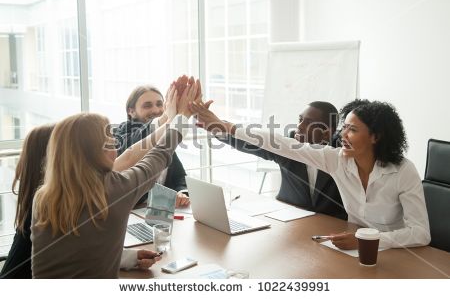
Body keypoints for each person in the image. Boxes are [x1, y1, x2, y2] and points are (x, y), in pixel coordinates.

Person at [191, 99, 431, 250]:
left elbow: (421, 233)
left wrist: (370, 240)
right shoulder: (336, 160)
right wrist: (225, 126)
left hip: (398, 251)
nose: (344, 135)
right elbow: (279, 143)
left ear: (375, 137)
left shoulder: (403, 170)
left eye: (353, 130)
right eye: (344, 127)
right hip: (349, 248)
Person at [30, 80, 199, 278]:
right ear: (92, 153)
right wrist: (182, 117)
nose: (115, 151)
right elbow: (159, 153)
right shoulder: (116, 189)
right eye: (110, 144)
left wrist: (127, 258)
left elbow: (76, 253)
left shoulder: (43, 196)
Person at [215, 101, 347, 220]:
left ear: (327, 132)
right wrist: (215, 127)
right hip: (288, 216)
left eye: (308, 123)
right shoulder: (289, 143)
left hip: (331, 223)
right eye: (300, 120)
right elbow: (252, 143)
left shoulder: (341, 152)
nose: (299, 126)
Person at [114, 77, 195, 208]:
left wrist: (181, 193)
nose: (156, 110)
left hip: (162, 214)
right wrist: (168, 118)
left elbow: (180, 177)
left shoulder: (165, 137)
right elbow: (138, 143)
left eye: (159, 104)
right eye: (147, 105)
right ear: (131, 111)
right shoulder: (125, 130)